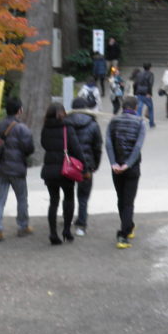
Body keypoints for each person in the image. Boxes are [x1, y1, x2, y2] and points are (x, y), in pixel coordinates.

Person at [0, 96, 35, 242]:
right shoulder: (23, 129)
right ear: (20, 110)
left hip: (0, 169)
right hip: (17, 169)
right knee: (22, 198)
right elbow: (29, 149)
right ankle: (23, 226)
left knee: (0, 198)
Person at [39, 102, 87, 245]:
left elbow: (44, 144)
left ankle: (53, 233)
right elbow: (76, 147)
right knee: (69, 199)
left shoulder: (45, 127)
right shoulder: (67, 127)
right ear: (62, 113)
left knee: (53, 201)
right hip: (65, 169)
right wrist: (85, 166)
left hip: (49, 169)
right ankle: (66, 230)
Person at [106, 95, 146, 249]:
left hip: (116, 166)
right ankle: (123, 235)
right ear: (135, 107)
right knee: (129, 201)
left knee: (121, 198)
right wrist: (128, 164)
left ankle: (127, 225)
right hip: (132, 166)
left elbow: (109, 143)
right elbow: (137, 146)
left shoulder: (113, 121)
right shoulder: (140, 122)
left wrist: (114, 163)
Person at [67, 96, 103, 236]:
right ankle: (81, 225)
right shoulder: (93, 124)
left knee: (68, 194)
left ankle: (67, 219)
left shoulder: (65, 123)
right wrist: (95, 164)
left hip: (69, 164)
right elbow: (97, 147)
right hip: (86, 165)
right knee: (83, 196)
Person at [132, 61, 156, 128]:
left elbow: (135, 84)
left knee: (139, 109)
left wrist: (135, 92)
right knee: (150, 108)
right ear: (150, 67)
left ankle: (137, 123)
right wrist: (150, 93)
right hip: (146, 93)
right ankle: (151, 123)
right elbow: (150, 84)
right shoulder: (151, 74)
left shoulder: (139, 74)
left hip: (139, 93)